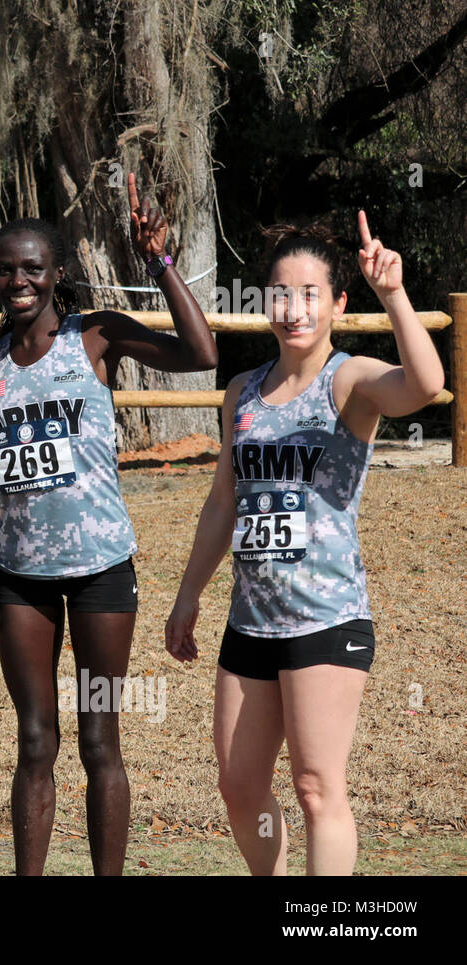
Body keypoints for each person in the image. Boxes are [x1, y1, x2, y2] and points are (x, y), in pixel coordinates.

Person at [165, 213, 443, 875]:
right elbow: (221, 504)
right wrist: (187, 597)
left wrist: (395, 294)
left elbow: (426, 385)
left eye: (311, 293)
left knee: (317, 786)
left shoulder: (349, 382)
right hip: (251, 623)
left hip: (327, 620)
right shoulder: (242, 393)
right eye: (281, 292)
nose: (293, 308)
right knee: (239, 786)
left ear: (338, 303)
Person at [0, 177, 217, 875]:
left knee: (99, 738)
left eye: (31, 268)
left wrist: (160, 262)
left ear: (57, 275)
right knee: (36, 740)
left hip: (103, 569)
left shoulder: (95, 334)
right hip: (21, 579)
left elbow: (201, 354)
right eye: (6, 270)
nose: (17, 280)